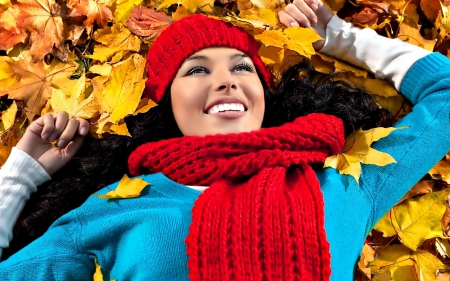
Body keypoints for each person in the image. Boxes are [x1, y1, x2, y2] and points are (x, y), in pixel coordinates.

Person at [0, 0, 448, 279]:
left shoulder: (345, 180)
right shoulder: (117, 205)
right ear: (169, 105)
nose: (226, 81)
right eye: (196, 71)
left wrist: (341, 38)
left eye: (242, 67)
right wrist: (19, 177)